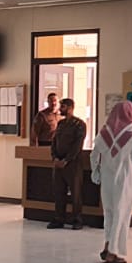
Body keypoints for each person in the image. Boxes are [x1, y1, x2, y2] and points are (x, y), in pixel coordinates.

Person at [91, 100, 132, 263]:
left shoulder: (104, 133)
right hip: (125, 179)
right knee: (122, 213)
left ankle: (107, 244)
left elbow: (94, 155)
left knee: (109, 212)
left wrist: (96, 171)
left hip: (107, 178)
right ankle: (113, 252)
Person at [47, 98, 87, 230]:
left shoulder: (79, 124)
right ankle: (59, 218)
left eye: (63, 107)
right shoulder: (61, 123)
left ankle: (77, 219)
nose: (60, 109)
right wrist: (55, 158)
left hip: (73, 164)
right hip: (58, 163)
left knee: (76, 193)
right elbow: (54, 142)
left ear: (70, 108)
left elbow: (77, 145)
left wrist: (66, 160)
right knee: (58, 192)